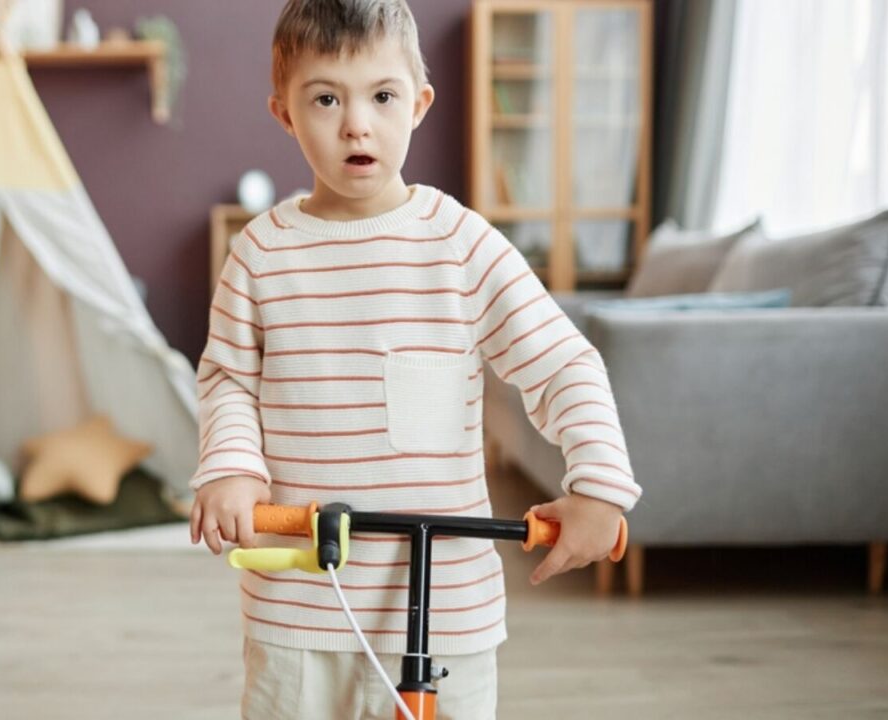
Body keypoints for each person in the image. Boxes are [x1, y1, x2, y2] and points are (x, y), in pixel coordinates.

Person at [189, 1, 643, 717]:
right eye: (326, 98)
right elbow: (229, 381)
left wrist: (598, 488)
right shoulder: (261, 254)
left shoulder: (459, 243)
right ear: (284, 113)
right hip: (299, 604)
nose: (356, 124)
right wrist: (235, 470)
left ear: (419, 103)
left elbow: (561, 364)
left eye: (382, 96)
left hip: (448, 609)